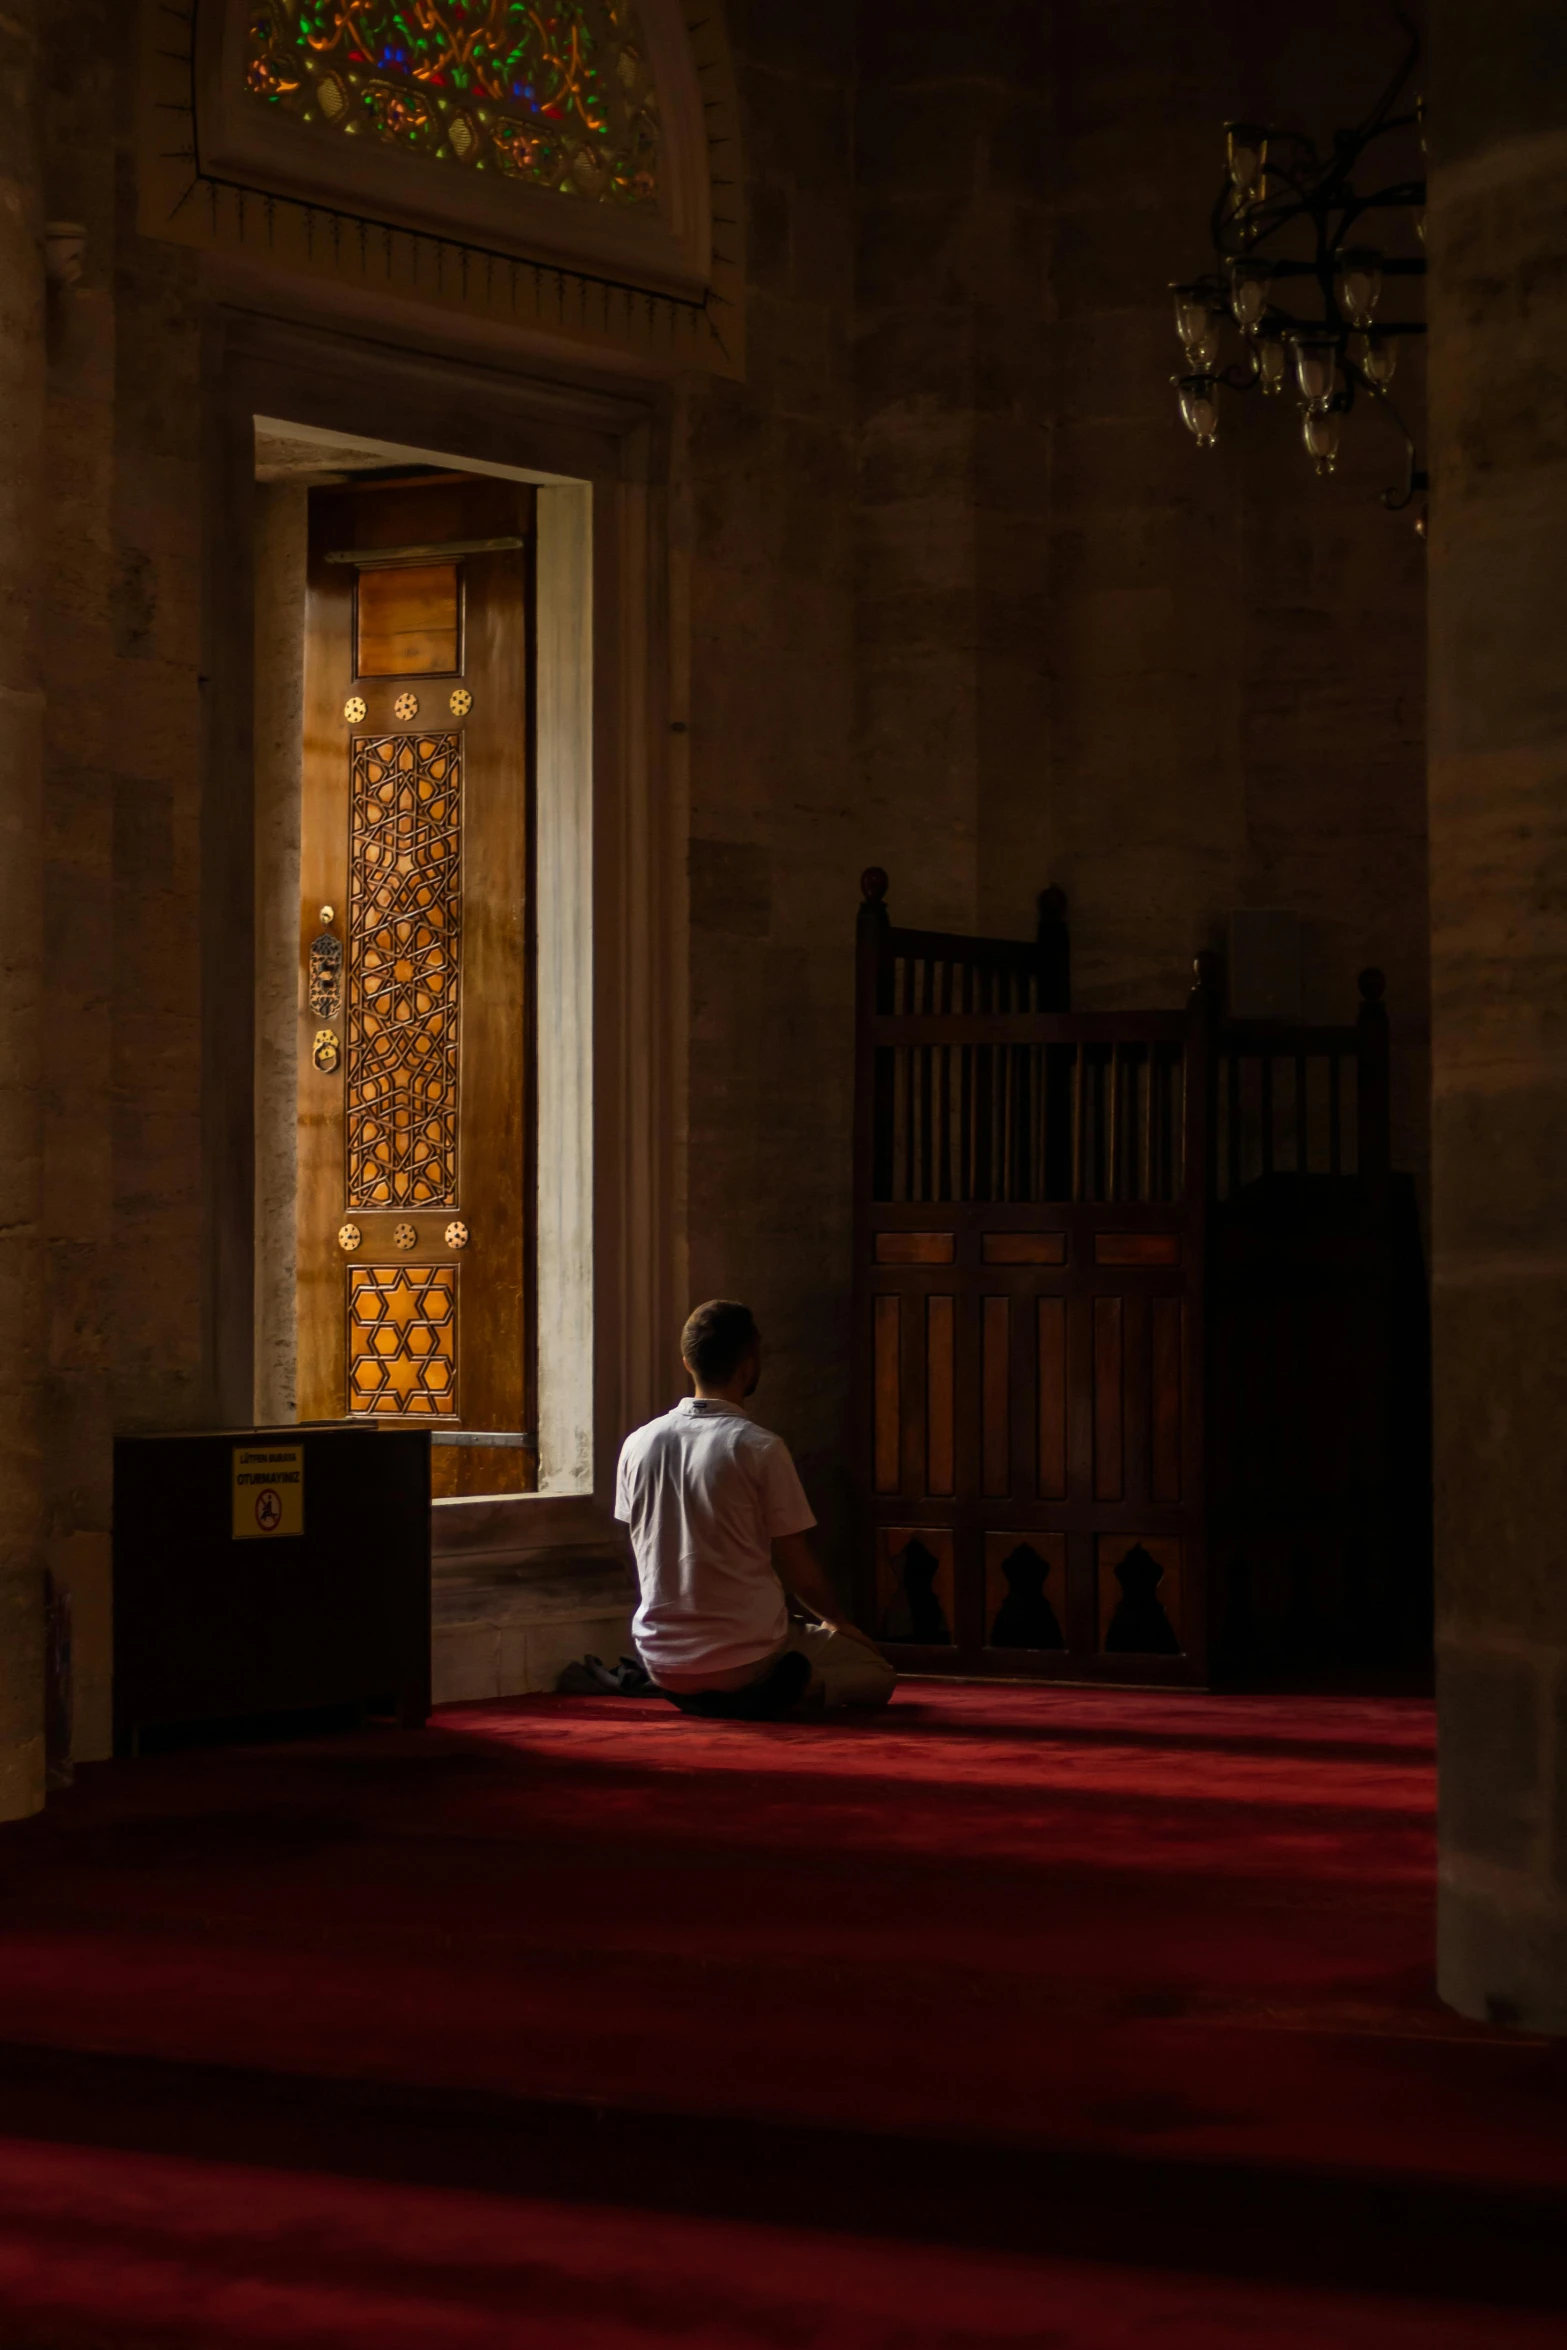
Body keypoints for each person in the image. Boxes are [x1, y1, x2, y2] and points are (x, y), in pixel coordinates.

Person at [615, 1300, 896, 1719]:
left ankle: (700, 1693)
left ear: (687, 1363)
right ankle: (786, 1691)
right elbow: (798, 1566)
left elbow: (639, 1545)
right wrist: (840, 1623)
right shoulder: (758, 1447)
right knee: (877, 1674)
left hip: (661, 1659)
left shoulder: (637, 1443)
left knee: (769, 1641)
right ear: (748, 1366)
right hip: (746, 1657)